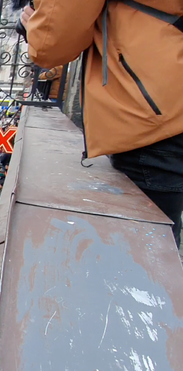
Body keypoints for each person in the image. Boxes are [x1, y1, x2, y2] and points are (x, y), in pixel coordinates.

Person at [21, 1, 183, 247]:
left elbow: (52, 43)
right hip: (164, 100)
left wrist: (33, 24)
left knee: (144, 257)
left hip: (150, 113)